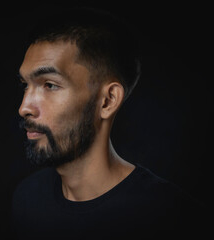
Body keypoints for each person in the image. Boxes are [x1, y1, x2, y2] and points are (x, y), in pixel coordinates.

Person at [11, 7, 206, 239]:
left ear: (107, 101)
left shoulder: (174, 218)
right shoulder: (27, 199)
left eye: (50, 85)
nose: (24, 108)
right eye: (26, 85)